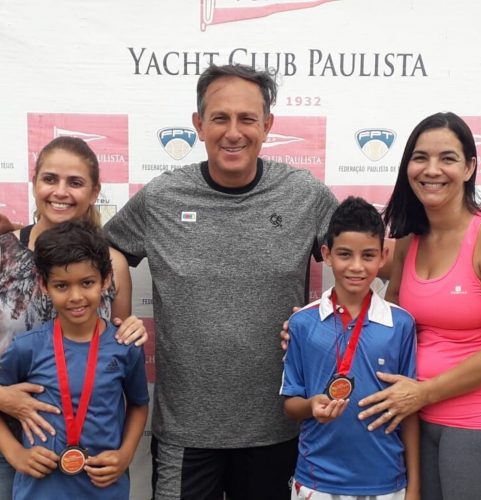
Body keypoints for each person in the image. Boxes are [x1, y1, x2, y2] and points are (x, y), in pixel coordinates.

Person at [103, 63, 339, 500]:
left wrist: (322, 323)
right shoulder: (162, 197)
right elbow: (105, 249)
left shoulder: (303, 194)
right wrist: (121, 317)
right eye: (220, 118)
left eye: (247, 119)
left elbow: (361, 255)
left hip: (276, 426)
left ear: (267, 125)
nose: (234, 132)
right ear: (198, 124)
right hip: (186, 431)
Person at [356, 112, 481, 500]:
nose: (431, 170)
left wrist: (425, 392)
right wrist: (310, 331)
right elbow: (384, 324)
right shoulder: (408, 241)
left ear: (469, 167)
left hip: (480, 425)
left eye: (447, 158)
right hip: (415, 422)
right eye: (420, 158)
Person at [0, 136, 147, 499]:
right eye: (50, 179)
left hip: (84, 454)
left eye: (75, 182)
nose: (61, 192)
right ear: (34, 183)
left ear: (95, 191)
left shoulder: (112, 263)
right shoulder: (3, 252)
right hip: (11, 448)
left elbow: (115, 347)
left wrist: (131, 329)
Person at [280, 196, 419, 500]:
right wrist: (311, 406)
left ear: (383, 256)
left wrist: (415, 487)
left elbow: (410, 411)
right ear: (327, 255)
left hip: (386, 481)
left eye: (368, 255)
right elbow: (290, 405)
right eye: (345, 254)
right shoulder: (302, 323)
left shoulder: (401, 324)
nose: (356, 267)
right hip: (316, 482)